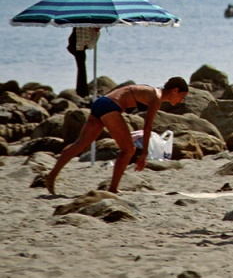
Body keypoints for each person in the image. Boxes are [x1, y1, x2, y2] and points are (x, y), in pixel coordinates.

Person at [44, 77, 189, 195]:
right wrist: (144, 153)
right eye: (182, 97)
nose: (181, 101)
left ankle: (51, 176)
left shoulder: (151, 90)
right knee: (128, 150)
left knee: (80, 144)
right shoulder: (156, 98)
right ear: (175, 90)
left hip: (101, 102)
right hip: (110, 107)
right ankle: (113, 188)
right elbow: (147, 126)